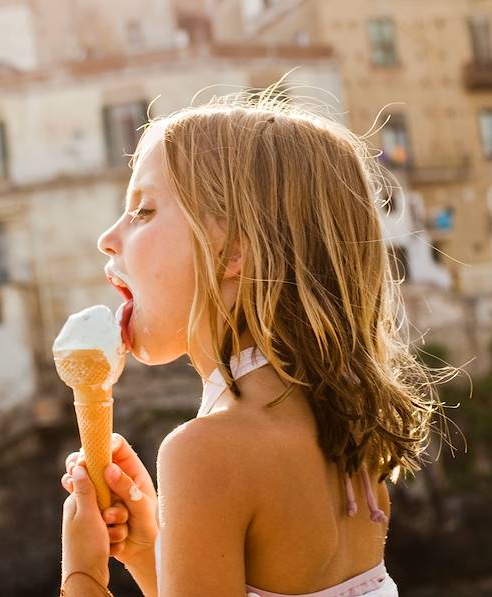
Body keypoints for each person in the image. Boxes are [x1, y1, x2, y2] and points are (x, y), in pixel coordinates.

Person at [58, 84, 450, 596]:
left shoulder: (203, 455)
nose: (107, 238)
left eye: (145, 211)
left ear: (234, 248)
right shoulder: (350, 435)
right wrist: (148, 548)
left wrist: (82, 574)